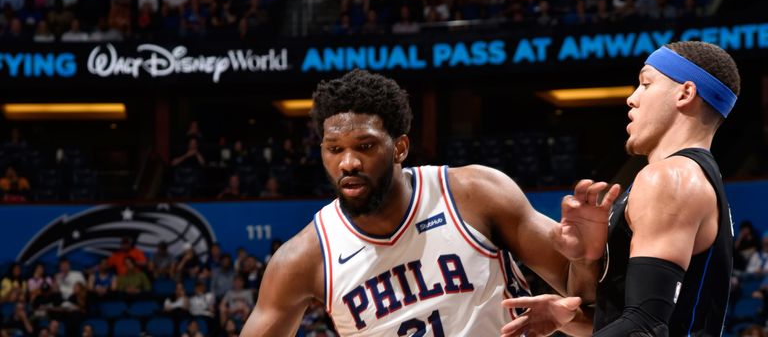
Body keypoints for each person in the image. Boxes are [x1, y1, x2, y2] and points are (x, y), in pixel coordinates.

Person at [241, 69, 609, 336]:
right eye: (334, 149)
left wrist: (582, 259)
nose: (348, 162)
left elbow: (593, 310)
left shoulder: (475, 193)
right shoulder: (304, 258)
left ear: (400, 147)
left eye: (364, 147)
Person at [502, 41, 740, 336]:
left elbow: (646, 326)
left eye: (645, 84)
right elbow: (651, 316)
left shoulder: (670, 177)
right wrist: (585, 266)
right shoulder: (693, 177)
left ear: (685, 93)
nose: (632, 98)